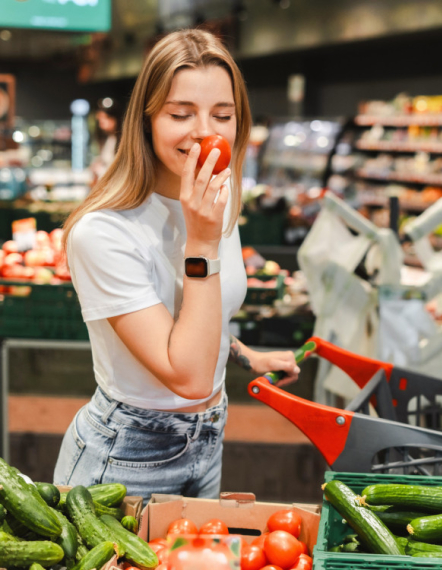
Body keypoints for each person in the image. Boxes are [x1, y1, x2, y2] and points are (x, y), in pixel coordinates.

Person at [54, 28, 300, 502]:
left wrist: (245, 355)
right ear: (146, 120)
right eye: (181, 114)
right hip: (126, 456)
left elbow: (191, 321)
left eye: (222, 115)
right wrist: (202, 243)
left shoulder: (217, 201)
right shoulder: (103, 232)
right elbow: (185, 374)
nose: (206, 132)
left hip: (209, 437)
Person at [90, 98, 123, 182]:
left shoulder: (123, 140)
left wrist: (100, 170)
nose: (101, 124)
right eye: (100, 120)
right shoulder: (110, 138)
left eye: (104, 118)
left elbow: (120, 171)